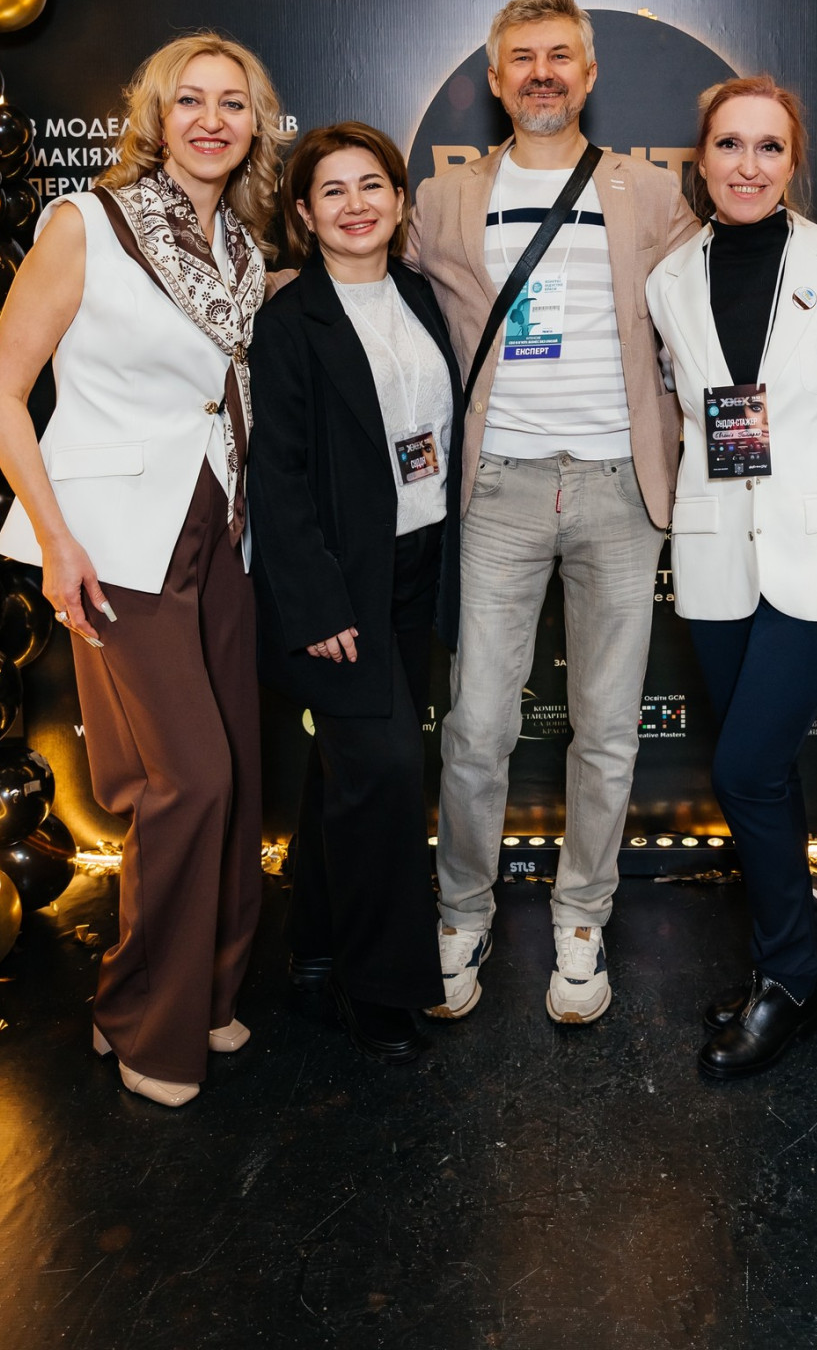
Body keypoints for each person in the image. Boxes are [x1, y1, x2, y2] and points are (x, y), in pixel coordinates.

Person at [0, 33, 285, 1108]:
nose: (212, 119)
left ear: (254, 124)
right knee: (185, 778)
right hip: (114, 537)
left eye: (232, 103)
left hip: (219, 530)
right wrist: (55, 536)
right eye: (189, 100)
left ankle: (205, 992)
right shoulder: (86, 222)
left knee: (237, 776)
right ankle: (137, 1019)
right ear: (154, 117)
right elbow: (3, 393)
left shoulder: (240, 248)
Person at [409, 0, 700, 1023]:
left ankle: (582, 917)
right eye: (523, 58)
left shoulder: (651, 192)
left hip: (622, 488)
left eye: (559, 56)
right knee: (477, 724)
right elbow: (366, 298)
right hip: (498, 488)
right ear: (495, 79)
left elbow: (711, 305)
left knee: (608, 728)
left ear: (588, 73)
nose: (542, 73)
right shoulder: (442, 201)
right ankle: (461, 911)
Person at [647, 76, 817, 1078]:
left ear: (793, 159)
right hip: (715, 555)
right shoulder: (667, 278)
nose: (747, 164)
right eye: (728, 143)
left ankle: (790, 976)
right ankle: (794, 971)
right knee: (763, 774)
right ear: (700, 158)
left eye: (768, 146)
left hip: (815, 556)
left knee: (743, 769)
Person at [247, 124, 462, 1065]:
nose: (355, 205)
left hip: (418, 566)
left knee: (349, 770)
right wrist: (317, 605)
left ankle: (315, 946)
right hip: (340, 584)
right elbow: (277, 479)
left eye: (371, 185)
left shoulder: (418, 293)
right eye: (331, 192)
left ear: (400, 198)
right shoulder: (289, 321)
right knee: (384, 774)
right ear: (303, 214)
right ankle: (376, 989)